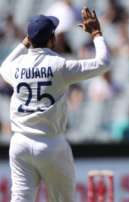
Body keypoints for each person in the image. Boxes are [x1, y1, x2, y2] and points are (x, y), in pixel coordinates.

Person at [0, 7, 110, 201]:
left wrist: (26, 42)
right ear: (52, 39)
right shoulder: (60, 65)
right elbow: (103, 63)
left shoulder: (16, 67)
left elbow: (3, 66)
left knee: (20, 198)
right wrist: (96, 33)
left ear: (30, 39)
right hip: (51, 143)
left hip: (20, 143)